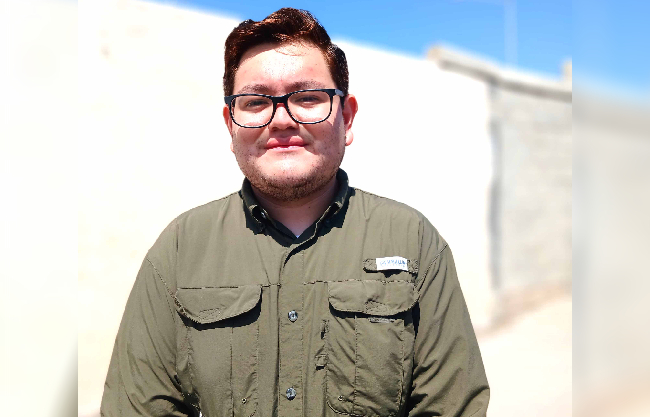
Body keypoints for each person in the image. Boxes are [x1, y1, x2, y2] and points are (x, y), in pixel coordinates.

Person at [100, 8, 489, 417]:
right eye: (255, 102)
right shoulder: (180, 249)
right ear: (231, 125)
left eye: (307, 98)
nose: (282, 120)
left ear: (347, 117)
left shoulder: (413, 240)